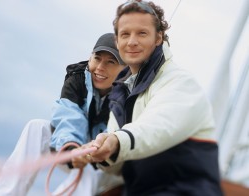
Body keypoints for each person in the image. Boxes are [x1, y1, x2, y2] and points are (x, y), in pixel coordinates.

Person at [86, 1, 224, 195]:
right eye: (125, 34)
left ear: (158, 37)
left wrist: (116, 141)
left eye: (141, 33)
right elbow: (118, 166)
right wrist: (98, 153)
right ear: (117, 41)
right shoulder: (119, 93)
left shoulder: (181, 83)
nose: (132, 41)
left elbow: (156, 128)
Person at [0, 33, 125, 196]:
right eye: (97, 58)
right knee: (37, 127)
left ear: (124, 69)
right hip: (75, 150)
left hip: (110, 164)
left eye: (111, 62)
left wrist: (92, 150)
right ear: (90, 58)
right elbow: (68, 115)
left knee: (92, 163)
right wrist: (70, 147)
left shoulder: (128, 93)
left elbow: (117, 132)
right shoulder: (77, 78)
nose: (100, 67)